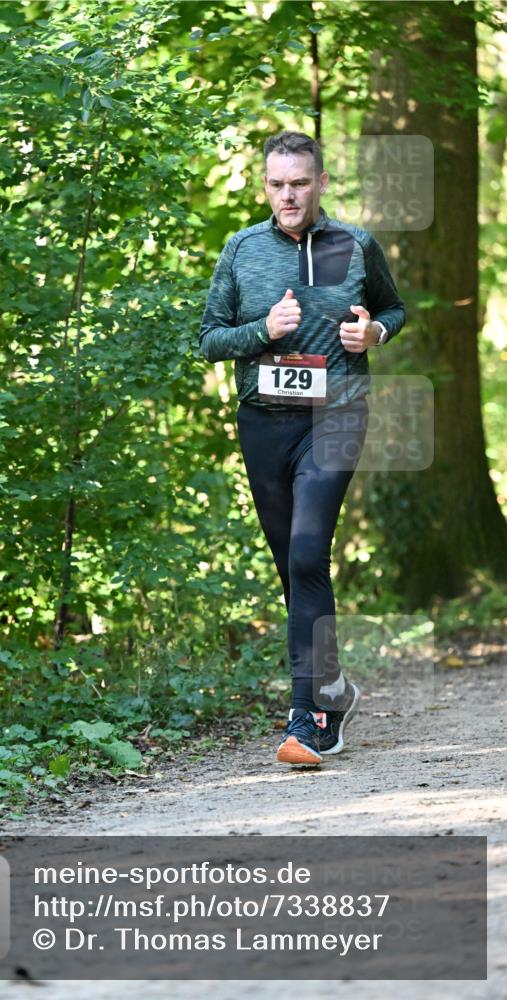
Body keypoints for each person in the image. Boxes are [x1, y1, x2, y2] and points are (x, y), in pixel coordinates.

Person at [199, 130, 406, 766]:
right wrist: (264, 329)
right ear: (265, 185)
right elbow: (210, 338)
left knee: (310, 550)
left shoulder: (355, 244)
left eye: (299, 182)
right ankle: (334, 688)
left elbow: (395, 311)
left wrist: (373, 330)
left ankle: (306, 718)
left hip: (337, 416)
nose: (288, 194)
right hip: (265, 422)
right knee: (295, 566)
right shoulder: (241, 249)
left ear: (320, 183)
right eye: (277, 183)